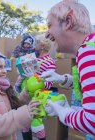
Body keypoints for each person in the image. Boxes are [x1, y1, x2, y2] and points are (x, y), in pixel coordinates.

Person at [40, 0, 95, 135]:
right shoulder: (90, 46)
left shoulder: (88, 52)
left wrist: (62, 111)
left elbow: (91, 122)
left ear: (68, 21)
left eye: (49, 25)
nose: (46, 34)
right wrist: (62, 79)